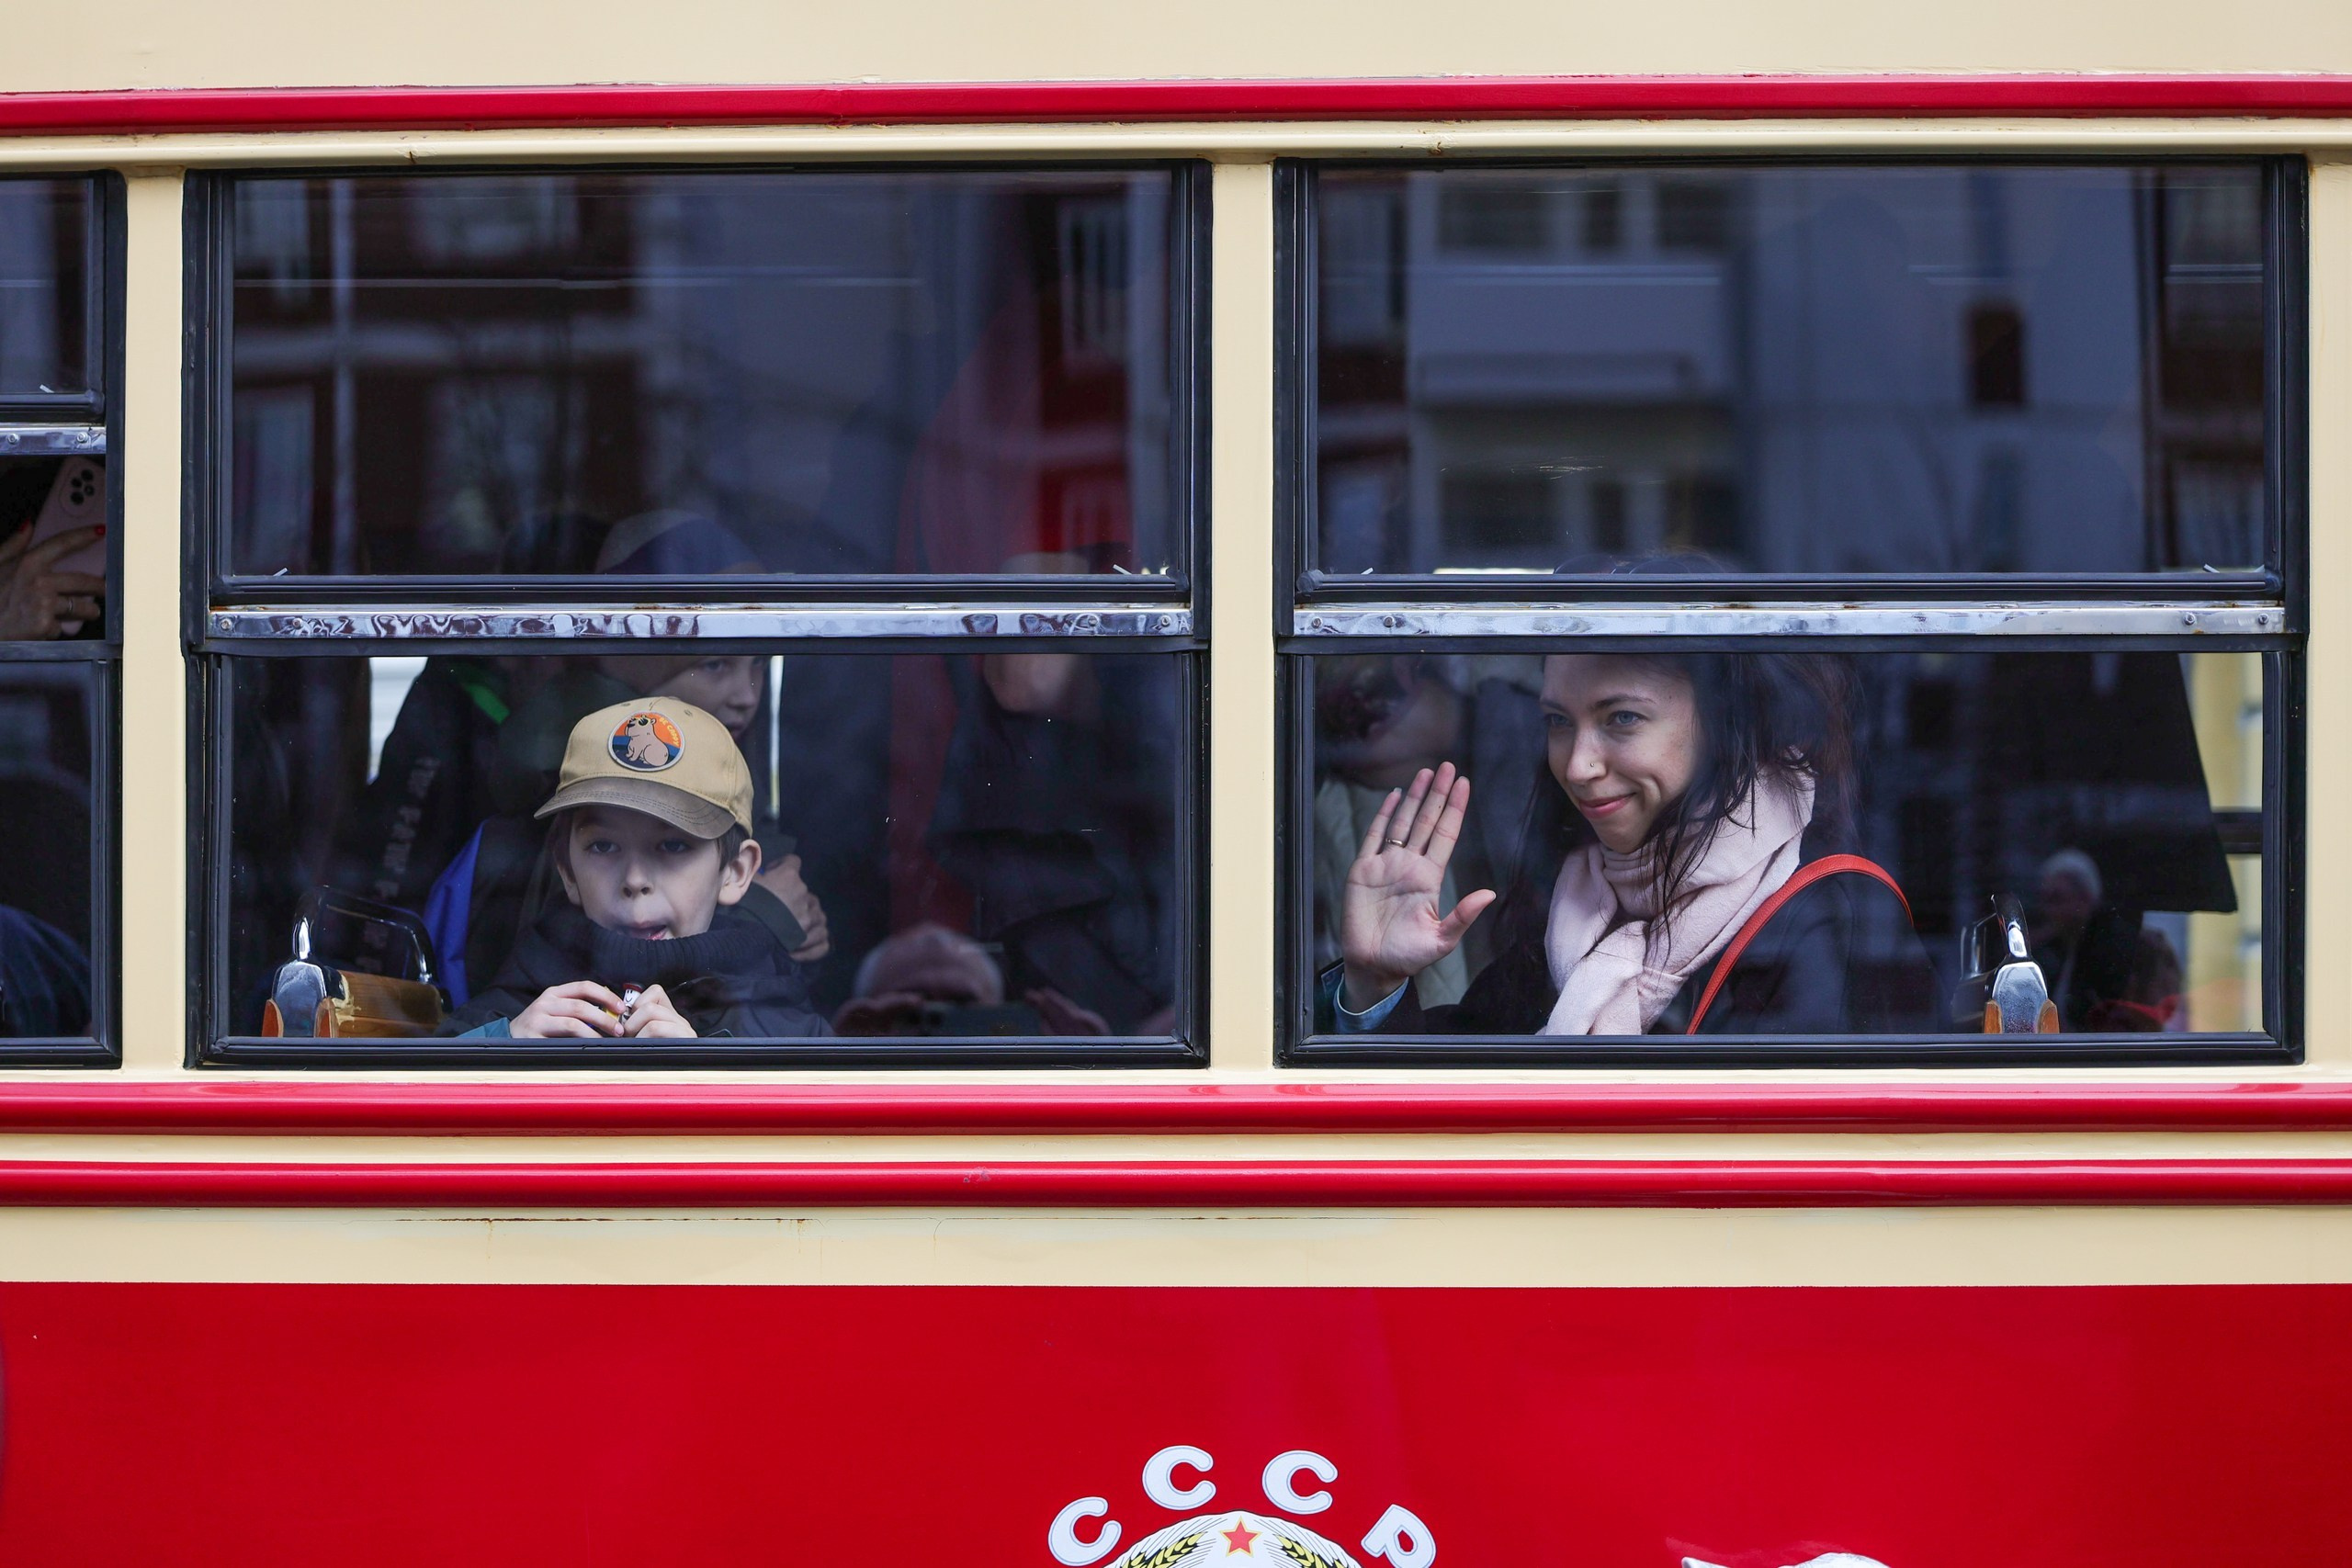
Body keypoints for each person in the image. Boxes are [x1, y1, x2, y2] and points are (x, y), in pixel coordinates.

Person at [1327, 650, 1939, 1036]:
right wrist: (1374, 985)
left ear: (1723, 725)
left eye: (1622, 718)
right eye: (1558, 721)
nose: (1577, 766)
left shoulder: (1830, 910)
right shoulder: (1574, 905)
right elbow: (1438, 1121)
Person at [447, 696, 828, 1040]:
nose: (635, 880)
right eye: (604, 846)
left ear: (735, 871)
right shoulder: (517, 1014)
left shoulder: (787, 1030)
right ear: (565, 867)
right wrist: (502, 1050)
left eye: (674, 846)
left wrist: (709, 1079)